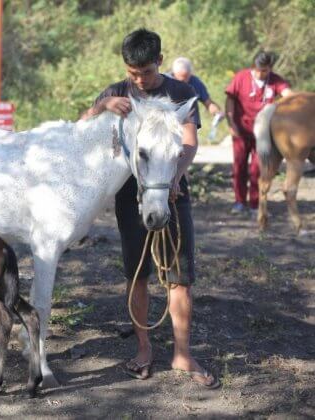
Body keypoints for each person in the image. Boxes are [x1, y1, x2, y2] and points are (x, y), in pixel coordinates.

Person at [81, 28, 220, 389]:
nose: (139, 79)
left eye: (144, 71)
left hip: (173, 190)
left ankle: (183, 353)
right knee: (137, 273)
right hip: (131, 195)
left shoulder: (181, 92)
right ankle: (144, 348)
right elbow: (80, 128)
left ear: (159, 60)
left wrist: (176, 175)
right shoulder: (117, 92)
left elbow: (189, 142)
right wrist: (101, 107)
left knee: (180, 275)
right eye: (132, 73)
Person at [225, 51, 292, 215]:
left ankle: (255, 204)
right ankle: (240, 202)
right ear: (253, 67)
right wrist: (232, 124)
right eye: (259, 70)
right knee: (239, 167)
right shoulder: (241, 78)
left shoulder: (275, 80)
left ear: (270, 69)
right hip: (241, 130)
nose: (262, 74)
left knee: (258, 169)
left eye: (266, 70)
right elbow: (230, 101)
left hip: (263, 133)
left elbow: (288, 95)